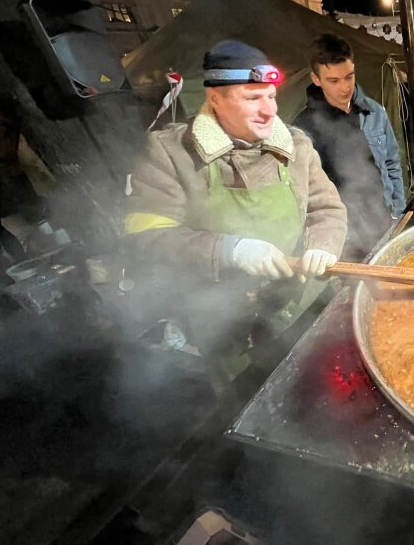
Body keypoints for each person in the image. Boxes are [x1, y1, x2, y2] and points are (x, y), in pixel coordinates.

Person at [125, 40, 347, 356]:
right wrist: (229, 250)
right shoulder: (171, 154)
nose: (269, 110)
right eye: (253, 98)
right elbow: (147, 237)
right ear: (215, 99)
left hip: (298, 303)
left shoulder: (295, 146)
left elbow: (326, 208)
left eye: (271, 97)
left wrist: (324, 245)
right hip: (222, 319)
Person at [293, 33, 406, 259]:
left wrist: (397, 209)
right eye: (334, 81)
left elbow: (392, 161)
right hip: (345, 235)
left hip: (383, 219)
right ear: (316, 79)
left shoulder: (373, 112)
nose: (345, 87)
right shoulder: (303, 128)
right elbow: (305, 192)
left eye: (349, 76)